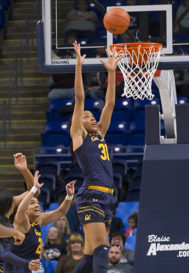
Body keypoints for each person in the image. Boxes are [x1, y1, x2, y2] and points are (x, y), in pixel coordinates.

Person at [70, 41, 120, 273]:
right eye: (86, 116)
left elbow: (109, 104)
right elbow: (80, 99)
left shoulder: (100, 134)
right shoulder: (78, 137)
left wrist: (112, 72)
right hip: (91, 196)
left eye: (92, 116)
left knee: (91, 255)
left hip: (108, 198)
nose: (91, 118)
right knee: (102, 248)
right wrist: (79, 65)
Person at [7, 171, 76, 273]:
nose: (37, 205)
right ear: (26, 209)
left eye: (38, 203)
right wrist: (33, 189)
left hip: (31, 268)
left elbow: (61, 211)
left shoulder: (38, 220)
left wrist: (69, 196)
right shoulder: (22, 222)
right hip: (16, 269)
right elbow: (21, 209)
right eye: (32, 203)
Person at [0, 188, 41, 272]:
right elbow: (4, 254)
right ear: (11, 205)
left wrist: (34, 189)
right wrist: (27, 263)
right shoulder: (5, 226)